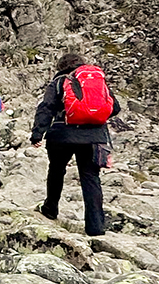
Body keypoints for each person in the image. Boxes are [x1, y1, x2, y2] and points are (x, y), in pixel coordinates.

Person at [29, 52, 120, 236]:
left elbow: (46, 107)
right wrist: (93, 118)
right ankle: (96, 228)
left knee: (56, 170)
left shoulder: (60, 81)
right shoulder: (96, 80)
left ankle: (50, 208)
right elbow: (115, 107)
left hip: (62, 134)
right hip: (95, 137)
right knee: (90, 178)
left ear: (61, 66)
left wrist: (37, 134)